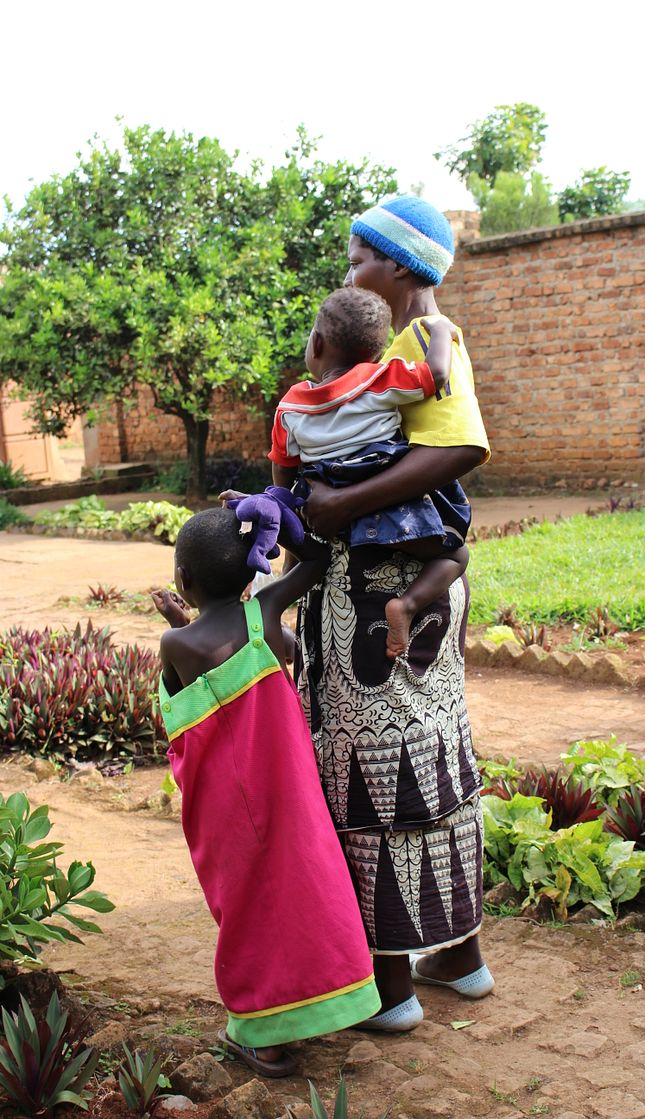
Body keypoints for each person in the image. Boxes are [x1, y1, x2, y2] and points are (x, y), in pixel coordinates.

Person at [222, 195, 493, 1033]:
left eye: (358, 258)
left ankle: (389, 983)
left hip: (376, 591)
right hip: (412, 585)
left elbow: (458, 450)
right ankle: (457, 953)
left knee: (366, 767)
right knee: (431, 752)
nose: (350, 273)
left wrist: (338, 507)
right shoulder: (406, 350)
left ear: (404, 268)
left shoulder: (420, 344)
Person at [151, 500, 381, 1075]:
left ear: (184, 580)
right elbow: (320, 559)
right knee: (306, 889)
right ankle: (332, 999)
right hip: (288, 792)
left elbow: (191, 698)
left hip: (227, 806)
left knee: (247, 905)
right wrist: (278, 520)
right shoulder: (267, 612)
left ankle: (265, 1037)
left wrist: (182, 622)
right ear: (254, 568)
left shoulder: (175, 645)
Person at [269, 285, 470, 658]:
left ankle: (275, 609)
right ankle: (407, 605)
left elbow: (282, 470)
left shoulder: (290, 407)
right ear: (378, 352)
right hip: (397, 511)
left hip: (331, 517)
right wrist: (441, 329)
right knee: (457, 555)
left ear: (315, 344)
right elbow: (438, 373)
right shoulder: (383, 379)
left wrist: (290, 512)